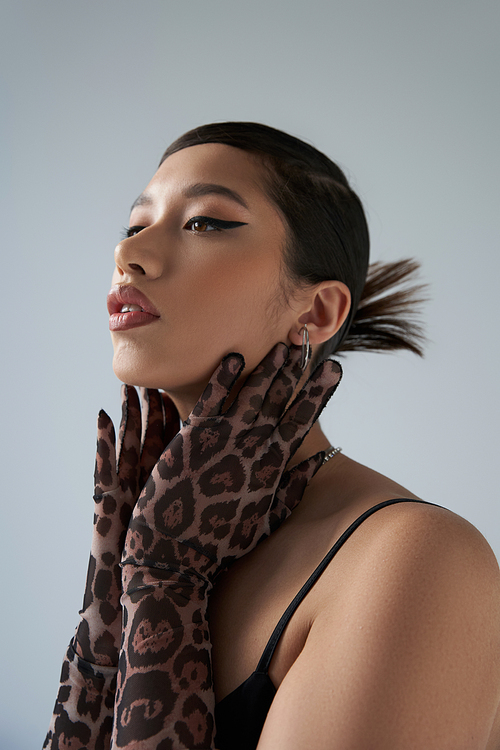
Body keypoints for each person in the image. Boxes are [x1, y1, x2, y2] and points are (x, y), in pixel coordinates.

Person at [44, 122, 500, 750]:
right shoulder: (158, 532)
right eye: (133, 224)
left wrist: (160, 581)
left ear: (316, 312)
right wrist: (114, 598)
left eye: (204, 222)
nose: (130, 254)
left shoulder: (417, 561)